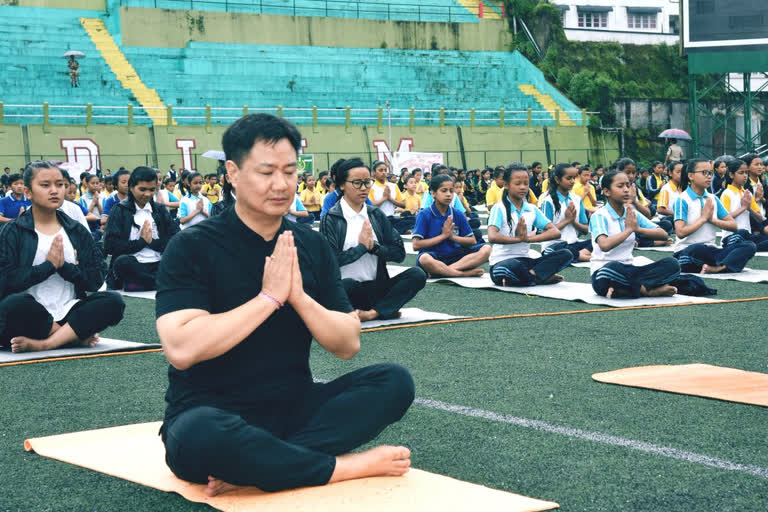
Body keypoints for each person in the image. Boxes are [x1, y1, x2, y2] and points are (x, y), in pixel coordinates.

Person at [155, 113, 414, 496]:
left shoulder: (308, 245)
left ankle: (262, 463)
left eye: (290, 171)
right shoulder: (193, 246)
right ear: (233, 172)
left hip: (292, 408)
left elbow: (347, 344)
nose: (281, 184)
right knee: (200, 434)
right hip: (211, 412)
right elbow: (180, 348)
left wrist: (299, 298)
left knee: (394, 382)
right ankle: (341, 467)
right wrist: (268, 299)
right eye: (266, 172)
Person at [0, 161, 124, 352]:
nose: (54, 190)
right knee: (12, 305)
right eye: (45, 185)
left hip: (69, 312)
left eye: (59, 184)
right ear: (28, 192)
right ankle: (71, 337)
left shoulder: (76, 230)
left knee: (113, 301)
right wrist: (48, 267)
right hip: (28, 314)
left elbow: (94, 281)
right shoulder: (13, 231)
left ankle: (48, 343)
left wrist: (66, 268)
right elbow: (6, 281)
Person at [320, 158, 426, 322]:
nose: (364, 188)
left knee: (417, 274)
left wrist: (375, 248)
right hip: (347, 290)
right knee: (347, 285)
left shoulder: (376, 215)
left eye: (367, 182)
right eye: (357, 183)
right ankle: (385, 309)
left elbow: (399, 254)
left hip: (376, 288)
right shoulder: (331, 219)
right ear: (341, 185)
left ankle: (373, 313)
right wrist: (361, 248)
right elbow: (329, 262)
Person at [590, 170, 680, 298]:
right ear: (606, 191)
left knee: (672, 264)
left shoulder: (631, 213)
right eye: (620, 186)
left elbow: (663, 234)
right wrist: (628, 230)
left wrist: (638, 229)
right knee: (611, 269)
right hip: (605, 271)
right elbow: (604, 245)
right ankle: (647, 290)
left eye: (628, 185)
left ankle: (627, 289)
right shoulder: (599, 215)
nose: (626, 190)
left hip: (630, 270)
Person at [488, 164, 572, 286]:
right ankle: (539, 276)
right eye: (518, 184)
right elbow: (492, 236)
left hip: (526, 261)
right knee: (512, 266)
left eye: (526, 183)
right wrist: (517, 239)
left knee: (566, 254)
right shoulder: (499, 208)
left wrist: (528, 239)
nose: (523, 187)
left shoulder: (531, 209)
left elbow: (555, 232)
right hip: (503, 261)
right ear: (506, 185)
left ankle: (530, 277)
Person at [672, 159, 755, 274]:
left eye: (710, 173)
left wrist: (712, 220)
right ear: (691, 176)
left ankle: (718, 268)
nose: (709, 177)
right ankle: (723, 265)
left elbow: (733, 226)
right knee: (696, 249)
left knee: (749, 245)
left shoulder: (713, 199)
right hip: (687, 250)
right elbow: (680, 232)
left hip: (711, 250)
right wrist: (703, 218)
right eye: (704, 173)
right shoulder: (682, 200)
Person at [104, 166, 179, 291]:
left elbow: (175, 238)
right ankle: (160, 281)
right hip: (134, 263)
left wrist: (152, 243)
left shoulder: (159, 210)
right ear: (132, 187)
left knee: (182, 258)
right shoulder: (120, 210)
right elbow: (110, 245)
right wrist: (141, 242)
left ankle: (143, 283)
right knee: (122, 263)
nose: (148, 194)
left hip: (158, 262)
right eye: (142, 189)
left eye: (152, 189)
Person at [412, 175, 490, 277]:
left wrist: (452, 237)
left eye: (451, 191)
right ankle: (462, 273)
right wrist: (443, 236)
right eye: (444, 191)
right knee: (424, 259)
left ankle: (444, 271)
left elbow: (472, 241)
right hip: (434, 256)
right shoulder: (424, 214)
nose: (448, 194)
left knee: (487, 249)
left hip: (456, 256)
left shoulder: (457, 214)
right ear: (433, 193)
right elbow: (416, 245)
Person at [539, 163, 592, 262]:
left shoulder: (576, 200)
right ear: (557, 180)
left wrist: (573, 222)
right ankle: (585, 257)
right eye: (568, 178)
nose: (572, 181)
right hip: (555, 245)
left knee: (597, 242)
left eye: (574, 178)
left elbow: (585, 230)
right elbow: (545, 232)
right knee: (561, 251)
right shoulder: (548, 201)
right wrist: (567, 220)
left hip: (573, 244)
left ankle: (577, 256)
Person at [720, 158, 768, 251]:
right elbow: (724, 218)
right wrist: (743, 208)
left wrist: (749, 208)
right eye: (741, 173)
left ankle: (749, 247)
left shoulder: (747, 193)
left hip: (747, 235)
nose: (745, 176)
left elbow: (760, 218)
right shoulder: (727, 193)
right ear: (731, 175)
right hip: (731, 236)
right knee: (740, 235)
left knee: (747, 238)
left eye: (746, 173)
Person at [78, 173, 103, 238]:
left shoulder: (103, 197)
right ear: (87, 184)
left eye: (97, 183)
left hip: (101, 224)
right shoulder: (82, 199)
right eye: (92, 183)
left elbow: (103, 214)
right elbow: (85, 214)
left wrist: (98, 203)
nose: (95, 185)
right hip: (89, 225)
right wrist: (93, 203)